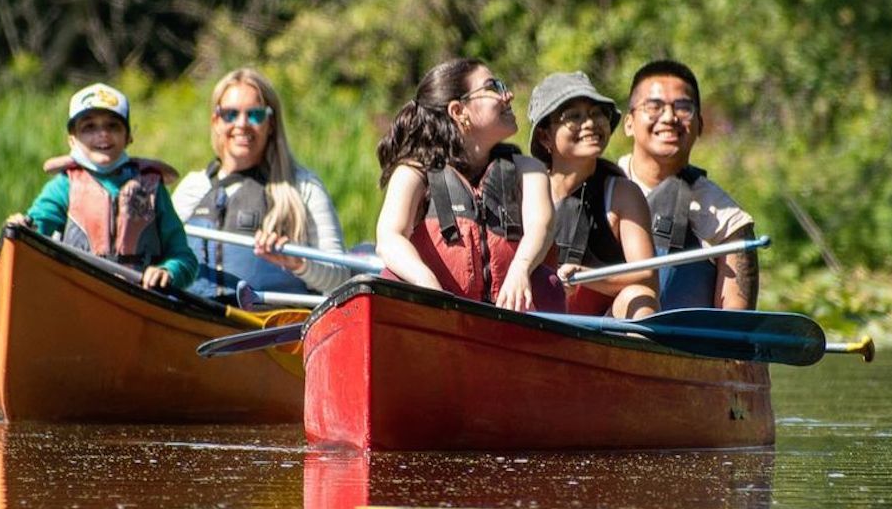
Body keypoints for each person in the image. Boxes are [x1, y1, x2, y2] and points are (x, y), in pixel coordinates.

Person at [375, 58, 564, 312]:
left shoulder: (528, 170)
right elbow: (389, 238)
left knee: (547, 284)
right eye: (492, 87)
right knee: (391, 278)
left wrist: (520, 270)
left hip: (512, 316)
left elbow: (542, 226)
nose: (507, 95)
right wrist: (427, 284)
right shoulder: (413, 173)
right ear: (458, 111)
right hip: (439, 317)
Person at [172, 68, 349, 302]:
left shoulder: (304, 187)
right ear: (216, 121)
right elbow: (162, 256)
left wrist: (297, 263)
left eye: (254, 115)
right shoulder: (193, 188)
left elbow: (341, 278)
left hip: (273, 328)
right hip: (198, 319)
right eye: (230, 115)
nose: (242, 124)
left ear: (271, 123)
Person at [8, 83, 198, 290]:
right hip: (79, 294)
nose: (103, 134)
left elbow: (184, 258)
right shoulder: (63, 186)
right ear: (72, 139)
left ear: (128, 137)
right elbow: (35, 231)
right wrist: (23, 228)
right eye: (89, 127)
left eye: (113, 126)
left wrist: (169, 271)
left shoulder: (152, 187)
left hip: (141, 297)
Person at [618, 59, 758, 310]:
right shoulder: (600, 186)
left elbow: (736, 322)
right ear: (629, 123)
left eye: (683, 108)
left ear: (700, 125)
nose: (670, 117)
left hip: (677, 345)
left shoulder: (728, 220)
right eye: (654, 106)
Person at [527, 71, 659, 319]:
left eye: (597, 113)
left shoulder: (622, 193)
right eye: (574, 116)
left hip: (601, 332)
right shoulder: (526, 188)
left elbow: (647, 276)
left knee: (639, 297)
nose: (589, 123)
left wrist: (586, 275)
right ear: (545, 136)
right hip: (536, 324)